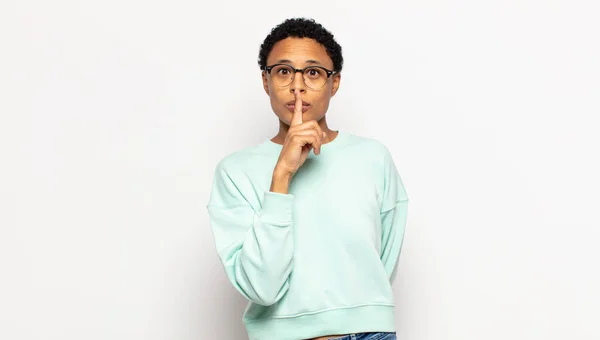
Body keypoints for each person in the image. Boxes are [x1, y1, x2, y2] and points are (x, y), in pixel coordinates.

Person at [206, 17, 409, 340]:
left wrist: (357, 312)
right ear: (265, 81)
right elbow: (262, 287)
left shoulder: (372, 158)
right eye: (283, 71)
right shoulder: (235, 172)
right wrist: (282, 175)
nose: (297, 86)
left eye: (313, 72)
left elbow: (379, 263)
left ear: (335, 82)